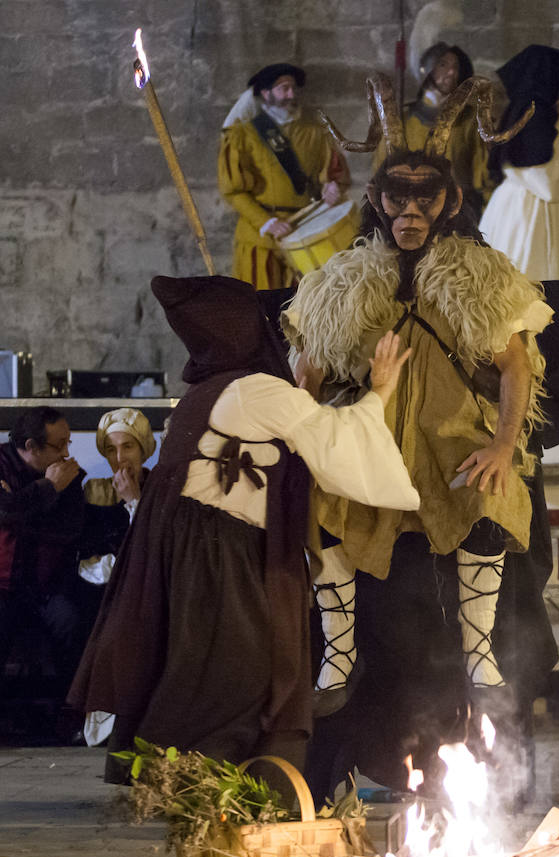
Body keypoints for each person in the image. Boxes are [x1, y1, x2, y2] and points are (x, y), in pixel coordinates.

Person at [284, 75, 556, 797]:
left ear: (450, 202)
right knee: (322, 507)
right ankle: (337, 654)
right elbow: (305, 367)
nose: (410, 211)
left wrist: (501, 444)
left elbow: (515, 364)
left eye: (424, 197)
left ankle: (479, 653)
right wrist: (302, 438)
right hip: (368, 439)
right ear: (376, 202)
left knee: (492, 496)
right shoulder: (342, 280)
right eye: (396, 197)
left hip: (446, 439)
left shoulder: (480, 275)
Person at [68, 275, 419, 782]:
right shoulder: (256, 390)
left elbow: (290, 426)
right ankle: (219, 786)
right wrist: (380, 390)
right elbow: (333, 442)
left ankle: (210, 785)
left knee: (214, 668)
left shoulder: (205, 393)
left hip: (189, 552)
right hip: (221, 553)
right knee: (247, 675)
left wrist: (305, 385)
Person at [217, 63, 351, 289]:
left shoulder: (315, 131)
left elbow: (334, 173)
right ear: (265, 93)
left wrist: (333, 187)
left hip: (306, 230)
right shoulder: (243, 135)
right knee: (262, 308)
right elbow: (234, 190)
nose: (291, 95)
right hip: (260, 239)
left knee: (308, 308)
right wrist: (267, 222)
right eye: (283, 88)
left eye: (293, 88)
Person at [0, 407, 85, 730]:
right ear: (32, 446)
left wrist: (18, 511)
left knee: (73, 623)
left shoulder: (68, 474)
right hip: (4, 585)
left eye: (68, 443)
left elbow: (69, 529)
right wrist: (48, 491)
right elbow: (3, 511)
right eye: (58, 445)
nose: (66, 454)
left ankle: (70, 722)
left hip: (47, 587)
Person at [76, 407, 156, 746]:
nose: (120, 457)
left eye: (128, 447)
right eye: (111, 449)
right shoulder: (94, 490)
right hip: (103, 587)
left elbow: (155, 548)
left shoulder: (158, 486)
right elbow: (87, 556)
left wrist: (134, 501)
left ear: (143, 448)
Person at [479, 45, 559, 281]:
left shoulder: (525, 110)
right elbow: (548, 182)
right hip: (533, 213)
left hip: (517, 206)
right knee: (533, 281)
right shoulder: (536, 115)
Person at [373, 42, 490, 218]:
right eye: (442, 65)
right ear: (427, 70)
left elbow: (482, 175)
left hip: (457, 213)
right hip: (408, 213)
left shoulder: (469, 120)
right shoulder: (402, 120)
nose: (451, 72)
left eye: (456, 67)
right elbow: (381, 171)